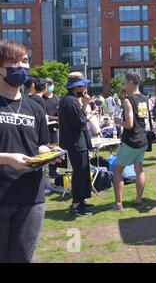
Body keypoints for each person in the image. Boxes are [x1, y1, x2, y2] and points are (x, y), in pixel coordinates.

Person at [0, 40, 63, 263]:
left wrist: (50, 154)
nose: (21, 67)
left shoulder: (35, 107)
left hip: (31, 196)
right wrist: (6, 158)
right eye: (13, 62)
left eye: (25, 61)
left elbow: (39, 144)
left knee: (24, 258)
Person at [112, 73, 150, 211]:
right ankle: (138, 200)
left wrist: (117, 121)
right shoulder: (144, 99)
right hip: (142, 140)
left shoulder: (128, 101)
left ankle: (118, 204)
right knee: (139, 169)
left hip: (130, 140)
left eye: (124, 82)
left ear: (130, 82)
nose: (123, 84)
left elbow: (129, 124)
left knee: (117, 171)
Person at [59, 72, 95, 217]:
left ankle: (81, 201)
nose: (84, 89)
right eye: (83, 86)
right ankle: (76, 204)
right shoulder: (70, 101)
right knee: (79, 173)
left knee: (83, 172)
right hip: (76, 142)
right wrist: (87, 113)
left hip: (77, 142)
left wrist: (85, 104)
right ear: (76, 87)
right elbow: (79, 122)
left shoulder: (70, 100)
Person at [44, 78, 61, 180]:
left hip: (55, 128)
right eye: (48, 84)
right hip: (45, 127)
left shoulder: (57, 98)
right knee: (46, 148)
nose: (49, 86)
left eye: (51, 84)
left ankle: (53, 170)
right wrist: (56, 118)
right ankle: (47, 170)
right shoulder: (42, 99)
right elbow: (44, 115)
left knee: (55, 148)